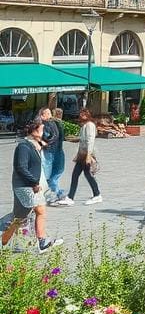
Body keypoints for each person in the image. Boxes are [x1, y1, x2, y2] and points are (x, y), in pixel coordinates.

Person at [1, 118, 62, 252]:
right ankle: (4, 241)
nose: (43, 131)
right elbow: (21, 167)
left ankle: (41, 241)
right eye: (41, 129)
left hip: (28, 186)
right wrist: (33, 182)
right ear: (33, 130)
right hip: (24, 187)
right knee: (21, 217)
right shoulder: (23, 146)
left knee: (35, 212)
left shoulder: (31, 145)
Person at [56, 108, 100, 206]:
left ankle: (96, 195)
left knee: (87, 174)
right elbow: (83, 139)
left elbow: (90, 140)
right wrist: (74, 139)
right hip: (82, 154)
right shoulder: (84, 126)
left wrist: (88, 155)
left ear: (88, 115)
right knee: (78, 174)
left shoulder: (89, 125)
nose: (81, 116)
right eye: (81, 114)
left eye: (84, 114)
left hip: (86, 154)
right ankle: (71, 197)